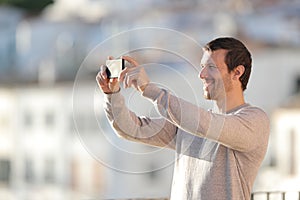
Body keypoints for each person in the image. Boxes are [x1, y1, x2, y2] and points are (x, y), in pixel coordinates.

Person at [96, 37, 270, 200]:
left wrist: (149, 89)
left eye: (211, 67)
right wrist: (111, 94)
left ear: (237, 72)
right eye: (202, 66)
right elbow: (131, 129)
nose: (201, 74)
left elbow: (208, 125)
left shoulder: (254, 120)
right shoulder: (189, 123)